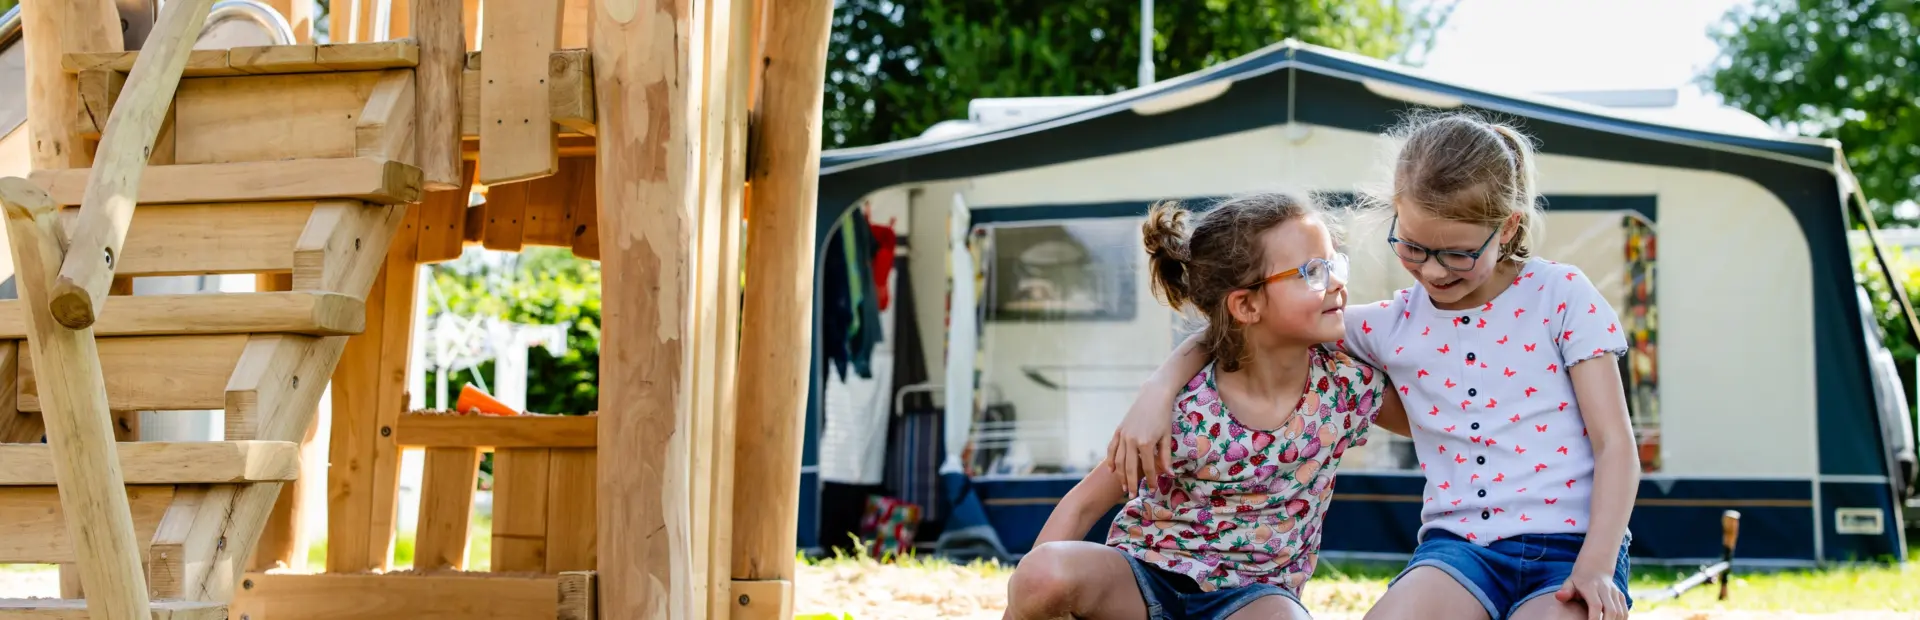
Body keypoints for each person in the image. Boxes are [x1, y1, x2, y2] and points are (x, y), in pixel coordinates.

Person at [1105, 112, 1639, 620]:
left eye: (1455, 253)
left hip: (1575, 543)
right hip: (1459, 551)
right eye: (1412, 247)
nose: (1432, 270)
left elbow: (1616, 444)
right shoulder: (1387, 325)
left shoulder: (1562, 296)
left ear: (1507, 228)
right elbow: (1251, 323)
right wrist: (1161, 386)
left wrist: (1596, 567)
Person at [1003, 192, 1407, 620]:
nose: (1336, 281)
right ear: (1246, 305)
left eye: (1334, 262)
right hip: (1145, 582)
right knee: (1042, 573)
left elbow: (1436, 427)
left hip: (1253, 598)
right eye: (1312, 271)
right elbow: (1084, 504)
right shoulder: (1186, 408)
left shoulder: (1346, 387)